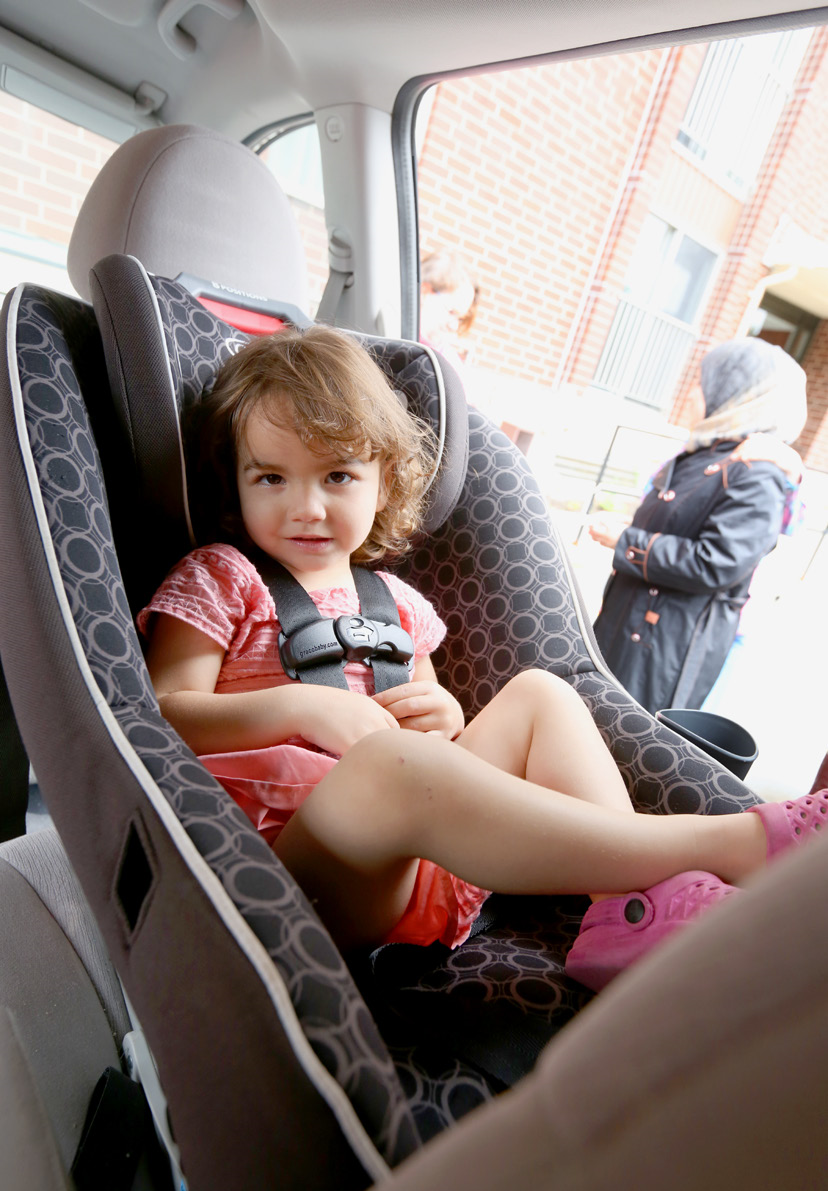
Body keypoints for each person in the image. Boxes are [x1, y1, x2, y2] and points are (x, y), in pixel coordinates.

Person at [138, 324, 826, 992]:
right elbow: (163, 712)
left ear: (384, 481)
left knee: (541, 694)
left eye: (337, 475)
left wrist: (441, 714)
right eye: (271, 479)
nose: (307, 507)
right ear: (236, 482)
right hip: (293, 872)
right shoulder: (221, 577)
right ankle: (733, 843)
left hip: (417, 858)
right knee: (387, 767)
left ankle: (627, 907)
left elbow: (438, 733)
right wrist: (299, 704)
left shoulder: (399, 605)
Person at [589, 336, 808, 718]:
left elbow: (718, 561)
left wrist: (627, 541)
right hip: (638, 629)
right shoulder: (704, 454)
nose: (689, 393)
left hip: (671, 642)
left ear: (734, 395)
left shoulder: (759, 470)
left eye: (703, 382)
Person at [419, 250, 479, 378]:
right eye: (451, 311)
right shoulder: (394, 334)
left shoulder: (449, 364)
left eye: (460, 319)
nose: (454, 326)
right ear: (424, 291)